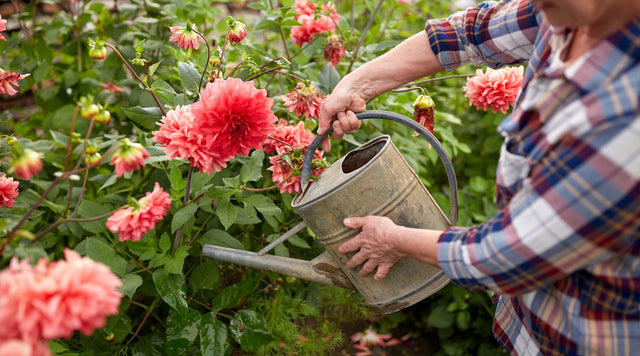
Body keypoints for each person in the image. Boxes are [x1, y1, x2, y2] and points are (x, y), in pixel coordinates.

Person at [317, 0, 640, 355]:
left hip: (584, 338)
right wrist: (359, 83)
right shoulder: (571, 12)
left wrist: (394, 239)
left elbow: (510, 255)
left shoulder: (625, 117)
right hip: (529, 323)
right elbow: (470, 32)